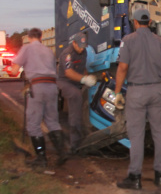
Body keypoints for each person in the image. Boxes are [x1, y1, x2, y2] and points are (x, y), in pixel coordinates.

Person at [114, 8, 161, 190]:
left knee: (137, 135)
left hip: (136, 92)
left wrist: (117, 92)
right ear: (150, 22)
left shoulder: (128, 41)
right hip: (156, 91)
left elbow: (123, 68)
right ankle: (160, 176)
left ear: (135, 22)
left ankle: (135, 177)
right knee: (159, 134)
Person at [11, 28, 67, 167]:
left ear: (29, 37)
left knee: (33, 124)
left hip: (38, 87)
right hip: (52, 87)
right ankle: (62, 152)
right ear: (41, 37)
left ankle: (41, 157)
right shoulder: (48, 51)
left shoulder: (26, 48)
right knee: (52, 121)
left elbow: (14, 71)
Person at [57, 32, 97, 153]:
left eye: (83, 46)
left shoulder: (83, 52)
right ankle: (75, 144)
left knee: (93, 94)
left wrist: (87, 77)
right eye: (79, 46)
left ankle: (88, 129)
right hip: (65, 82)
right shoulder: (67, 54)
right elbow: (68, 72)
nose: (81, 48)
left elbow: (82, 67)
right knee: (76, 96)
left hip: (77, 82)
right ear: (74, 43)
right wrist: (84, 79)